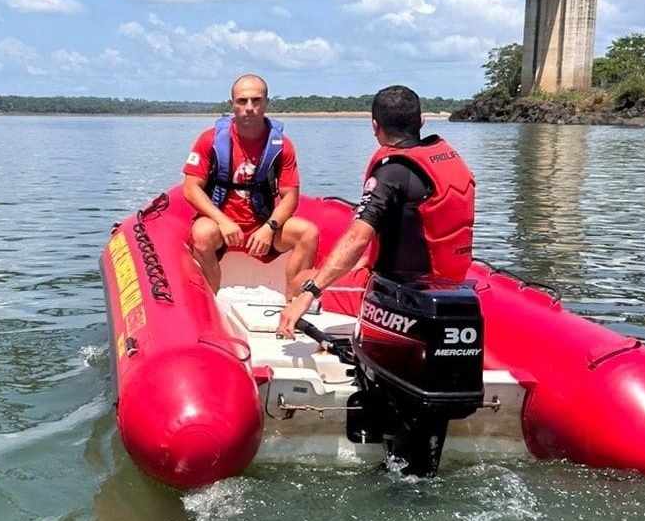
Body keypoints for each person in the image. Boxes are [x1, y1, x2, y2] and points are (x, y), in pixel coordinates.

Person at [276, 84, 475, 339]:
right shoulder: (446, 160)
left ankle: (291, 328)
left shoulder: (391, 173)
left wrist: (309, 293)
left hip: (399, 294)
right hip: (449, 281)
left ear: (374, 126)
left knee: (299, 279)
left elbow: (358, 236)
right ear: (422, 121)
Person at [182, 73, 319, 296]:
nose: (249, 107)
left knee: (308, 233)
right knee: (202, 234)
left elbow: (290, 197)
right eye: (242, 101)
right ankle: (211, 301)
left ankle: (293, 305)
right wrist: (223, 221)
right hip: (221, 224)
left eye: (256, 100)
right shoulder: (210, 140)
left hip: (262, 222)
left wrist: (269, 227)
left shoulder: (282, 145)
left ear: (266, 103)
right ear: (232, 104)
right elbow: (191, 188)